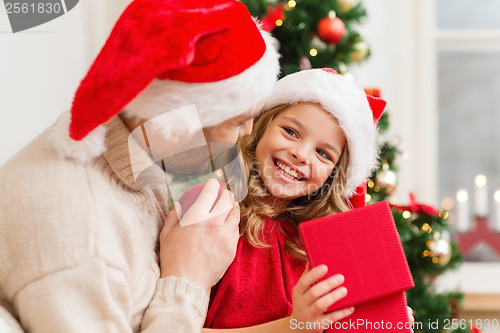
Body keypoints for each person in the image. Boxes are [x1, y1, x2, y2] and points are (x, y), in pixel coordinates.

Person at [0, 0, 279, 332]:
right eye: (237, 120)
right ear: (175, 122)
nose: (248, 131)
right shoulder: (82, 246)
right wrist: (188, 280)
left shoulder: (145, 142)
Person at [203, 69, 413, 332]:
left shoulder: (325, 249)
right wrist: (293, 327)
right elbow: (173, 325)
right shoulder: (211, 210)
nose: (301, 154)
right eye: (291, 131)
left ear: (334, 175)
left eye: (323, 153)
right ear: (261, 127)